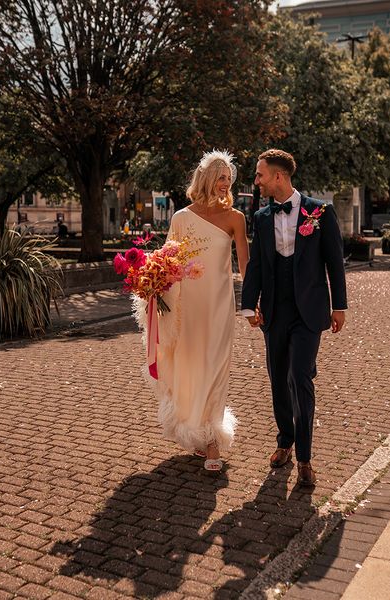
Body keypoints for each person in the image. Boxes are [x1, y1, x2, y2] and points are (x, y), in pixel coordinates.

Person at [137, 150, 249, 471]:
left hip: (219, 306)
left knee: (216, 367)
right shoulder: (181, 218)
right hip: (188, 308)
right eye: (220, 177)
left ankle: (213, 442)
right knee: (191, 367)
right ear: (206, 179)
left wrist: (256, 300)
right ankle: (196, 430)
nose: (225, 184)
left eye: (228, 178)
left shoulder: (236, 219)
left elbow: (246, 265)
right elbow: (168, 262)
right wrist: (151, 284)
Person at [241, 149, 347, 487]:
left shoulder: (319, 211)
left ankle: (304, 458)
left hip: (310, 310)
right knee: (277, 379)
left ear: (278, 176)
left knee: (300, 378)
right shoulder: (260, 217)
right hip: (275, 309)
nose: (255, 180)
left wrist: (339, 305)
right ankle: (285, 439)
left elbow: (335, 261)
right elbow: (256, 265)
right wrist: (248, 305)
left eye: (259, 175)